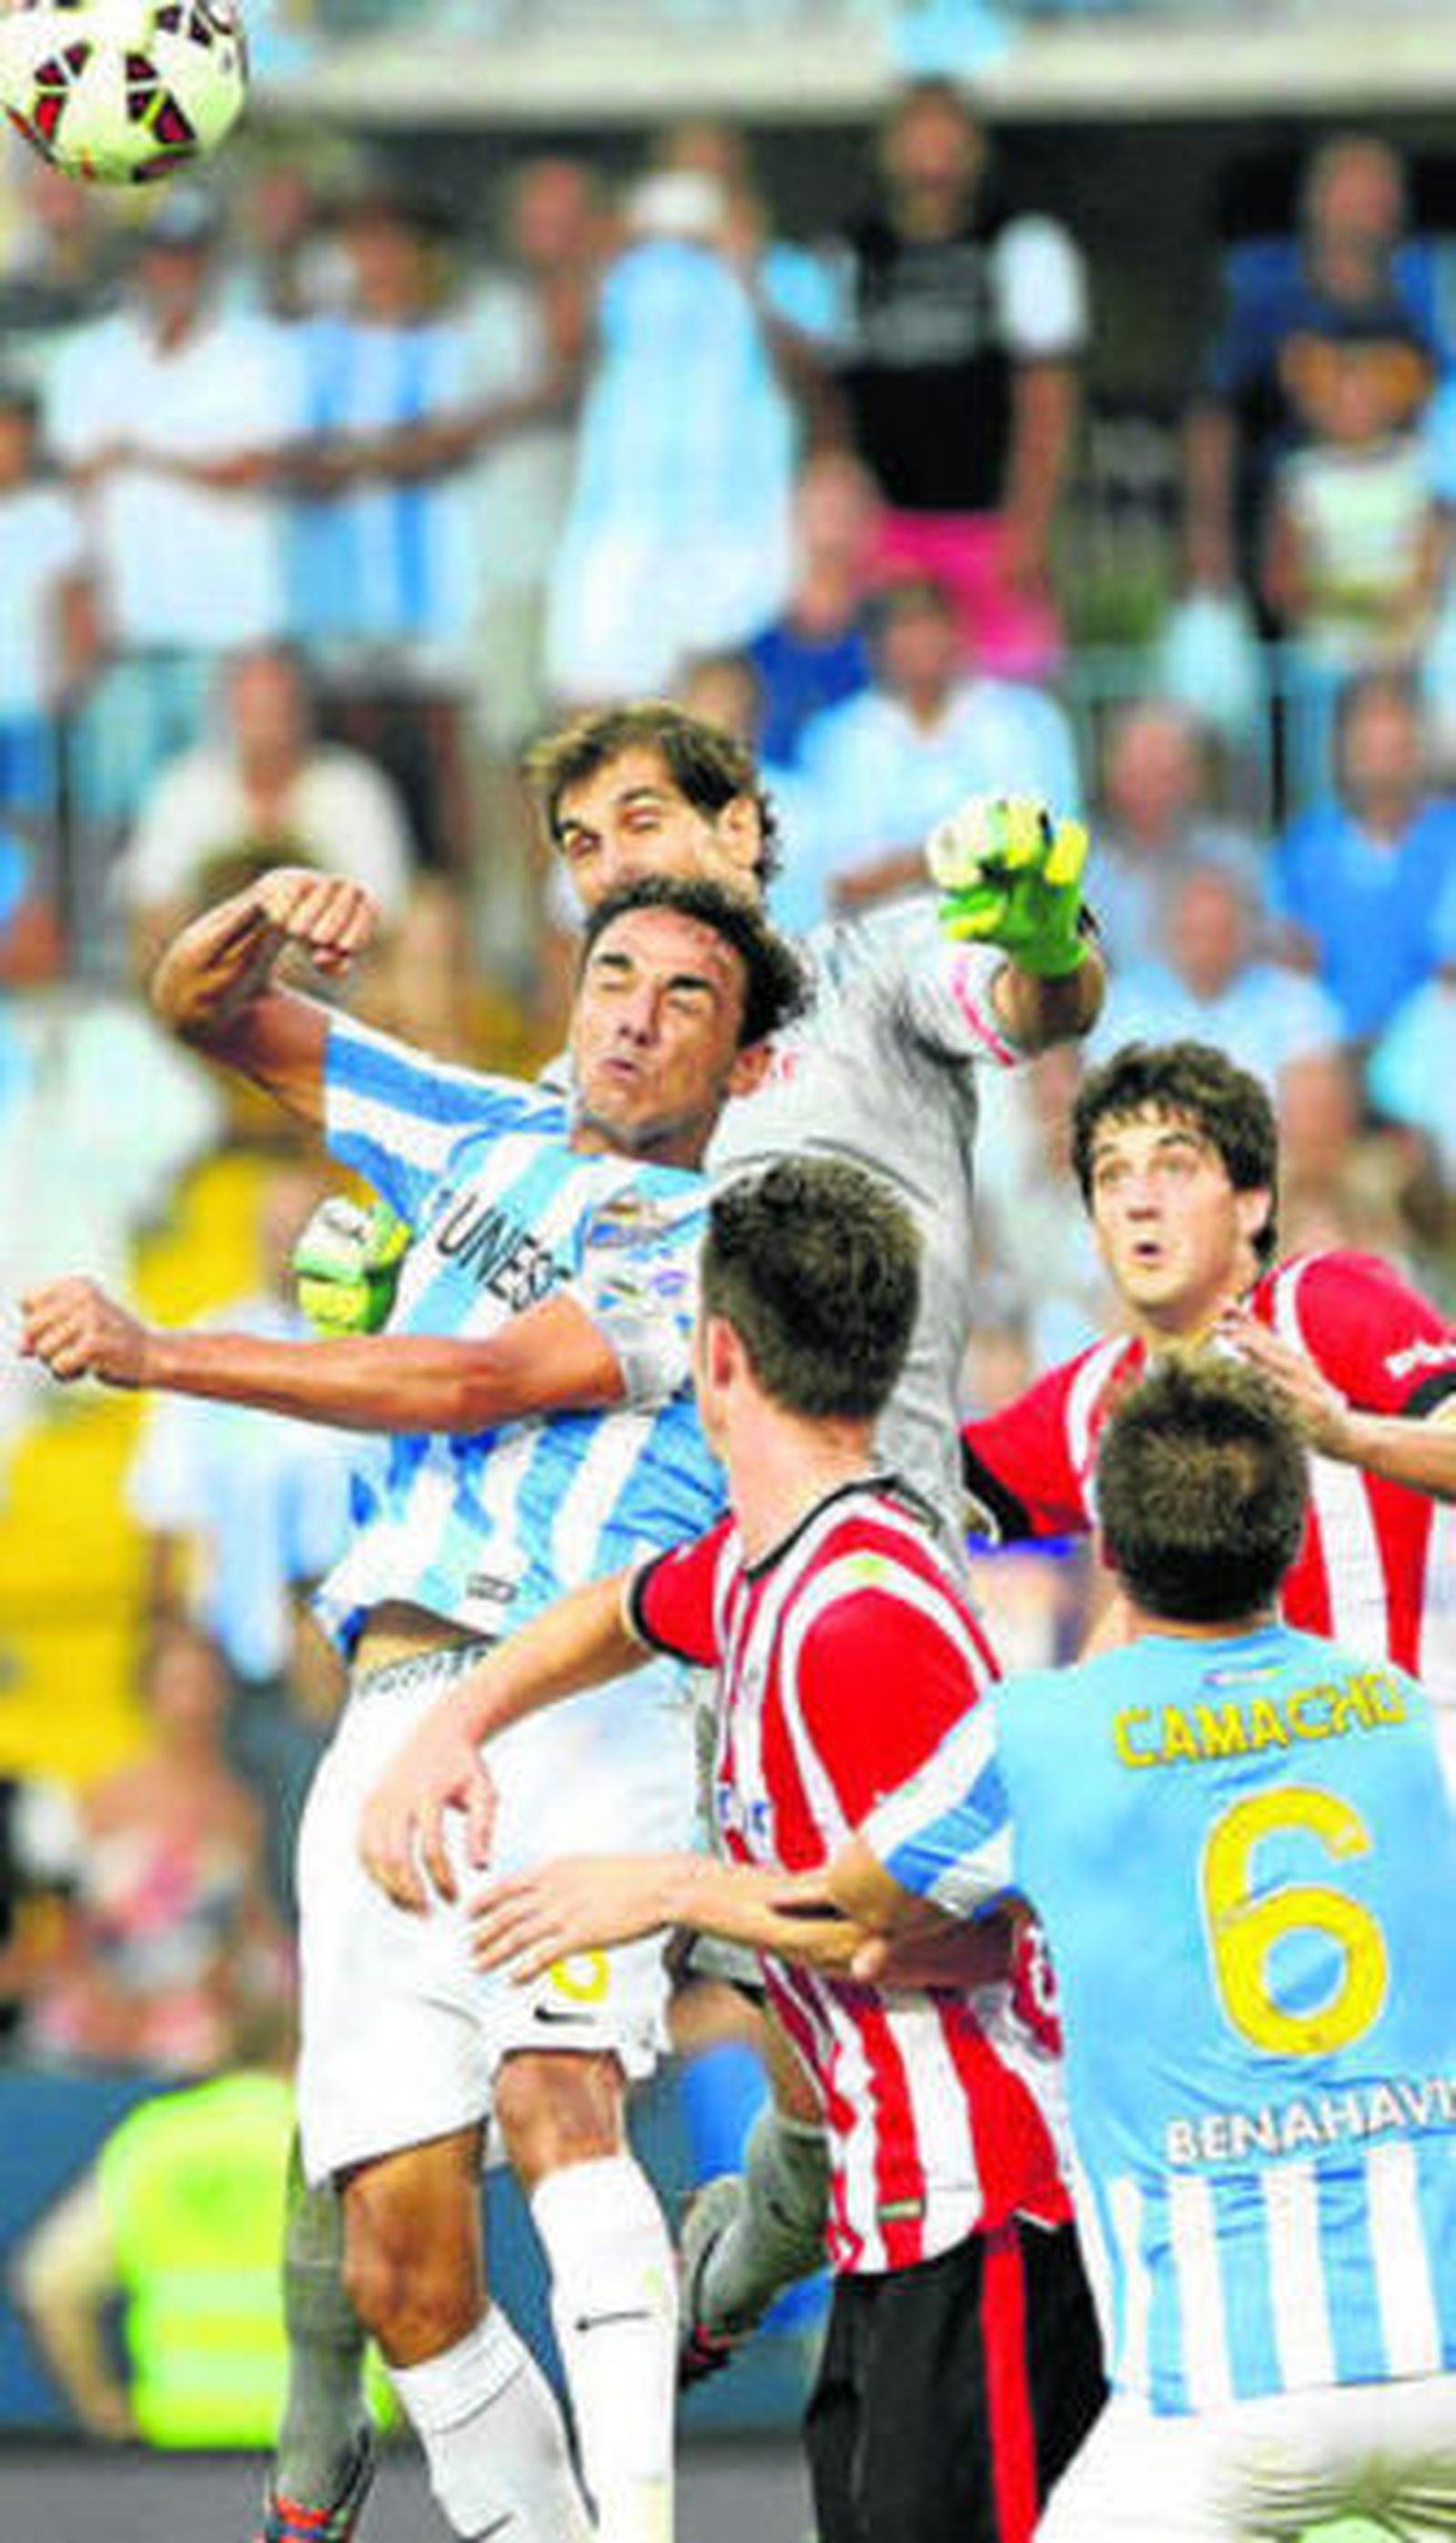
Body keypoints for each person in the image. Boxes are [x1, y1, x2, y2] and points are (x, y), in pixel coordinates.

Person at [21, 864, 807, 2543]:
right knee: (401, 2263)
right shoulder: (472, 1124)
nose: (635, 1014)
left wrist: (167, 1353)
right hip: (383, 1706)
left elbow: (477, 1377)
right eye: (616, 974)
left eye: (688, 999)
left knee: (559, 2097)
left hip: (578, 1695)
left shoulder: (707, 1236)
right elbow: (206, 1011)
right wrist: (242, 917)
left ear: (743, 1069)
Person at [365, 1156, 1107, 2543]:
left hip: (992, 2214)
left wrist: (662, 1887)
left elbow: (979, 1930)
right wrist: (458, 1717)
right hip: (891, 2221)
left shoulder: (859, 1619)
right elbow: (621, 1608)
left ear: (715, 1356)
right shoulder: (767, 1561)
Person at [829, 1354, 1456, 2539]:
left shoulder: (1044, 1732)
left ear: (1105, 1550)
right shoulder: (1398, 1709)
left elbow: (862, 1894)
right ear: (1289, 1544)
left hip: (1220, 2398)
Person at [958, 1040, 1456, 1719]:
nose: (1138, 1202)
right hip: (1228, 1804)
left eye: (1175, 1168)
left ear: (1252, 1204)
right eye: (1110, 1176)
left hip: (1410, 1773)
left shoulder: (1322, 1303)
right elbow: (904, 1488)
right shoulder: (1087, 1397)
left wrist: (1352, 1437)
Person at [824, 79, 1087, 679]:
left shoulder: (1023, 246)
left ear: (974, 148)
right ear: (889, 148)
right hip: (888, 531)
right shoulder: (852, 253)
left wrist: (1029, 523)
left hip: (989, 527)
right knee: (889, 695)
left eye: (947, 132)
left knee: (1011, 698)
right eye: (917, 132)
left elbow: (1047, 399)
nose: (932, 149)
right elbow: (834, 401)